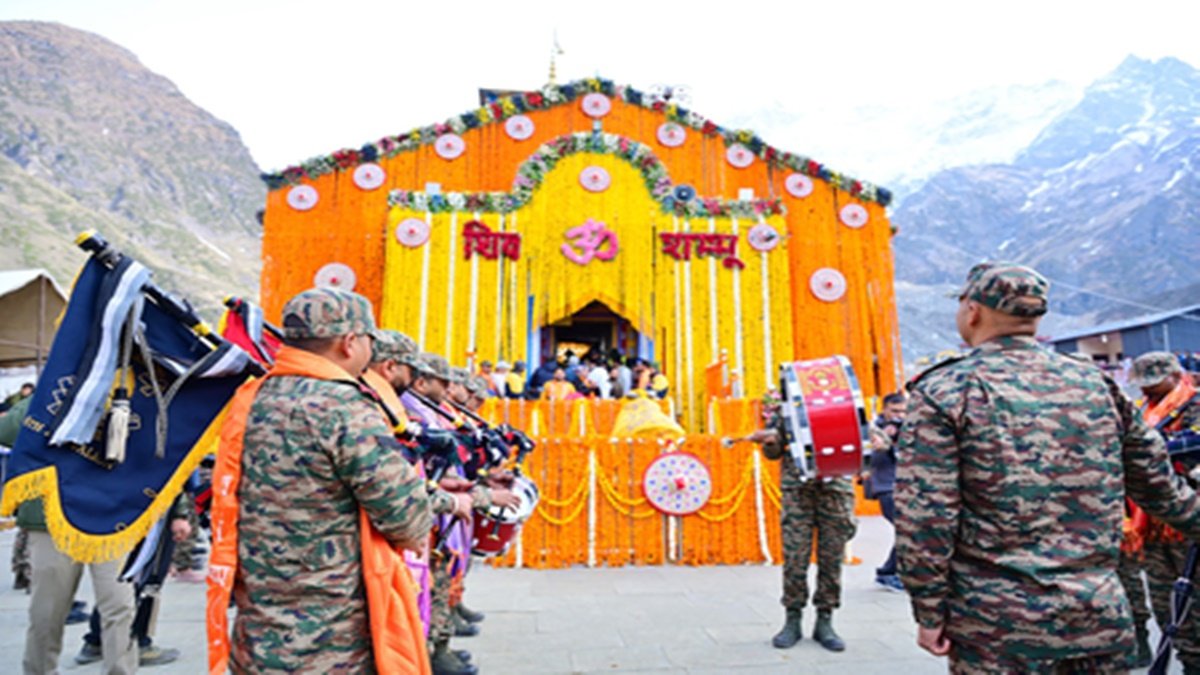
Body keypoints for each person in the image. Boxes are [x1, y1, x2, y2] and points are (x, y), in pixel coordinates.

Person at [896, 262, 1200, 673]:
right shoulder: (1096, 384)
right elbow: (1159, 487)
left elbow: (927, 516)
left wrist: (929, 610)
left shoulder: (945, 391)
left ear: (972, 310)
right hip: (1096, 616)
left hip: (996, 630)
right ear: (1035, 316)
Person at [211, 287, 437, 673]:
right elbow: (406, 514)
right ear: (350, 343)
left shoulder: (254, 396)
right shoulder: (343, 405)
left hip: (258, 629)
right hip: (329, 638)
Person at [746, 389, 855, 652]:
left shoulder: (845, 410)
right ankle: (792, 619)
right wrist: (771, 442)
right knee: (795, 559)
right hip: (798, 493)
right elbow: (774, 452)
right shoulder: (789, 414)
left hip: (835, 491)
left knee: (832, 559)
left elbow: (872, 438)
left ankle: (825, 620)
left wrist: (876, 441)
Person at [1128, 350, 1200, 672]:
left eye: (1154, 384)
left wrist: (1146, 445)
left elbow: (1192, 441)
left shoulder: (1194, 404)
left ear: (1174, 377)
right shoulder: (1144, 411)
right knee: (1166, 605)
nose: (1146, 391)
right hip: (1152, 522)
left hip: (1189, 520)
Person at [76, 495, 192, 667]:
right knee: (148, 577)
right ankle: (139, 641)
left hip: (122, 508)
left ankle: (97, 640)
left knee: (117, 583)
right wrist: (179, 513)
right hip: (152, 510)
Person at [864, 392, 905, 592]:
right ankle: (888, 572)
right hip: (886, 486)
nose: (899, 415)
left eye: (903, 411)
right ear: (884, 410)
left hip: (906, 485)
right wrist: (882, 441)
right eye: (895, 411)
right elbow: (870, 453)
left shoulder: (909, 427)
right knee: (906, 529)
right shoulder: (873, 428)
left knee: (908, 530)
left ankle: (890, 572)